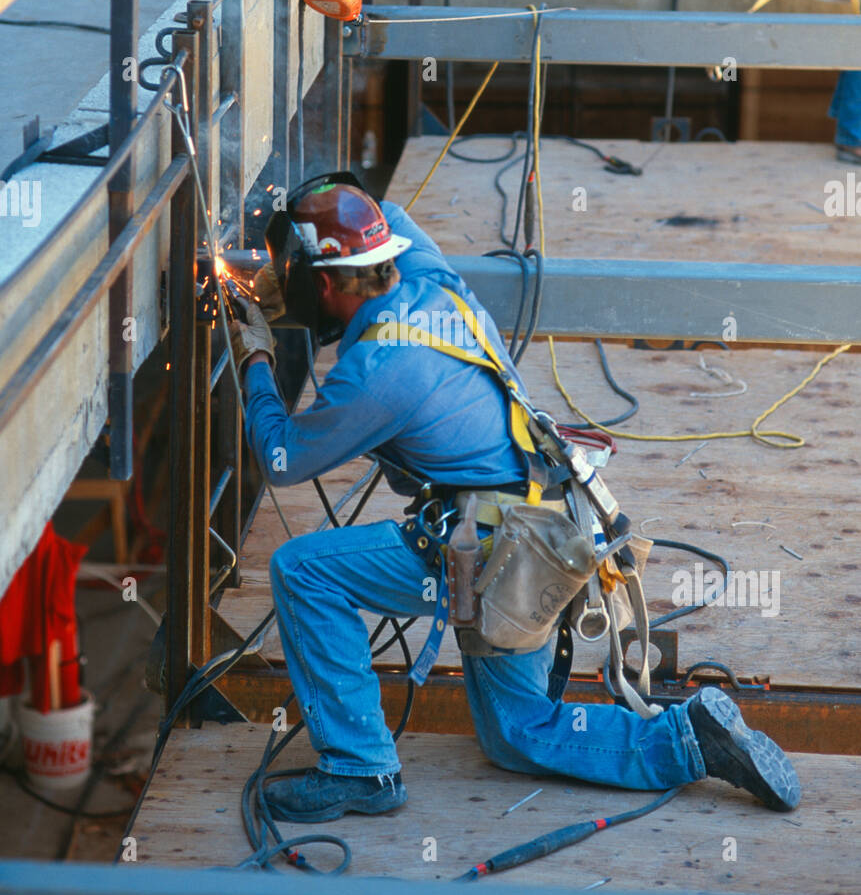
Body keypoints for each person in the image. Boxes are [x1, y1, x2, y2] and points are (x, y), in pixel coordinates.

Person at [228, 179, 800, 824]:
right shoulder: (427, 275)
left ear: (321, 284)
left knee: (303, 569)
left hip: (492, 551)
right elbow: (385, 212)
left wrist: (255, 354)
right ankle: (689, 737)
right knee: (516, 733)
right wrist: (305, 238)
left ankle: (360, 769)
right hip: (544, 523)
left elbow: (282, 460)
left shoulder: (376, 372)